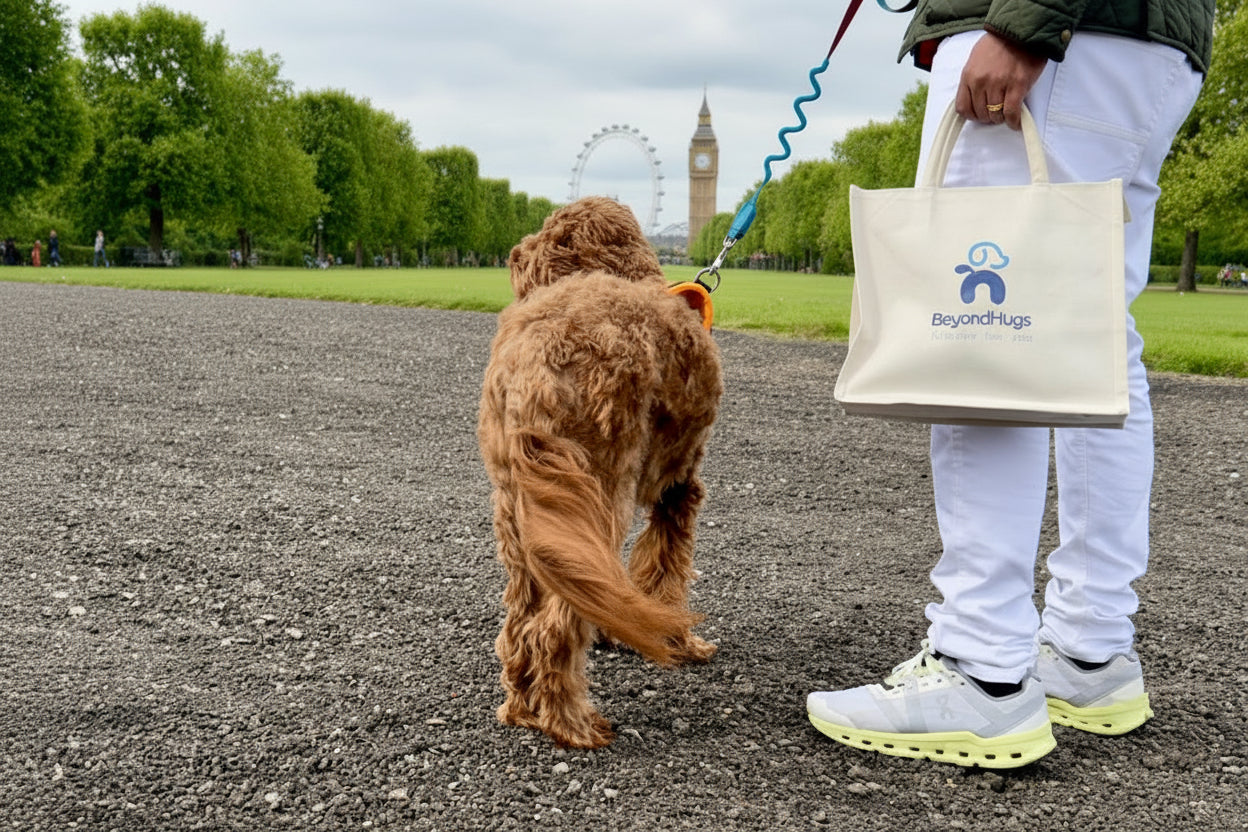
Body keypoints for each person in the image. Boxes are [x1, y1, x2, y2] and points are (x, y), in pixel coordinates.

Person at [808, 1, 1214, 769]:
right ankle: (1090, 654)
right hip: (1147, 43)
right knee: (1094, 334)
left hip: (1057, 36)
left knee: (980, 345)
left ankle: (980, 667)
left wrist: (1025, 22)